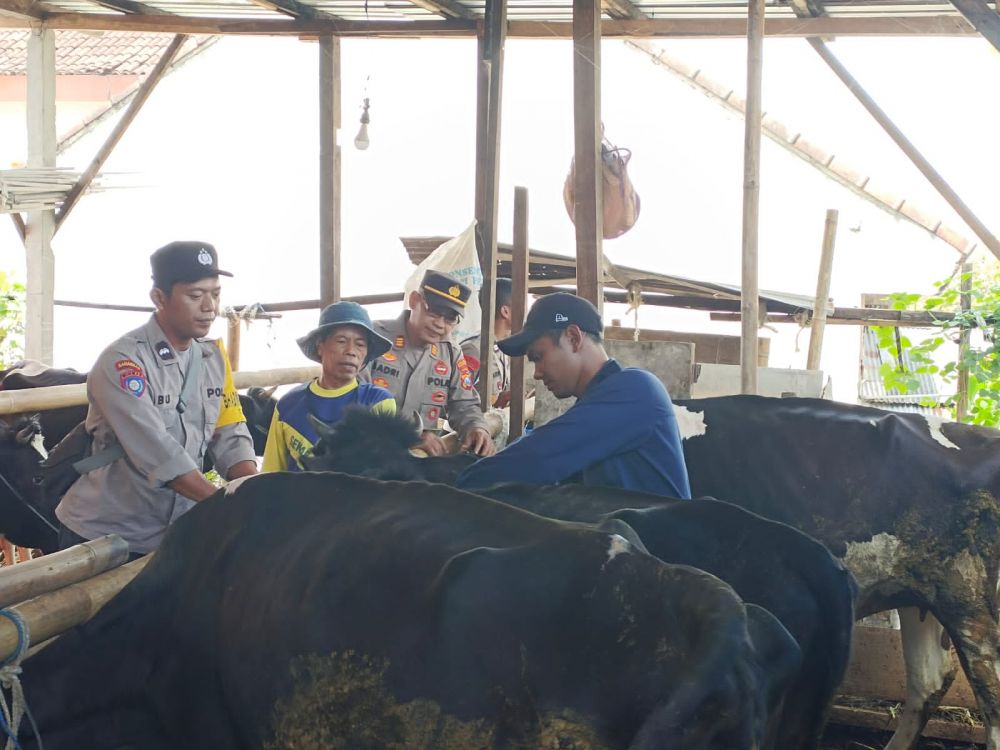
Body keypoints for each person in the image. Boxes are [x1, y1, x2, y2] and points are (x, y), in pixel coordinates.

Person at [55, 241, 258, 556]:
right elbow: (160, 454)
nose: (210, 307)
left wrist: (254, 492)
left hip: (176, 531)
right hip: (107, 536)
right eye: (195, 295)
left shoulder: (213, 358)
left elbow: (229, 430)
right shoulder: (123, 363)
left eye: (215, 294)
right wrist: (226, 506)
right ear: (159, 298)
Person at [456, 292, 691, 498]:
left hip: (656, 546)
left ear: (573, 338)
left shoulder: (635, 390)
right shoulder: (599, 398)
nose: (537, 374)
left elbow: (539, 456)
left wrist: (454, 485)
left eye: (538, 357)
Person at [363, 270, 494, 458]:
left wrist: (476, 427)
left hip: (421, 466)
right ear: (414, 300)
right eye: (434, 312)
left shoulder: (451, 354)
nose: (440, 324)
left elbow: (464, 404)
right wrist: (409, 436)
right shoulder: (374, 338)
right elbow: (354, 401)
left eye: (450, 318)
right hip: (370, 457)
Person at [262, 301, 396, 472]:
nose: (351, 351)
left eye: (360, 344)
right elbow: (271, 473)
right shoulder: (288, 405)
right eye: (341, 341)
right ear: (320, 346)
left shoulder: (379, 403)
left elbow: (389, 473)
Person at [460, 277, 512, 408]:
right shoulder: (474, 349)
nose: (526, 312)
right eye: (523, 305)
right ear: (505, 311)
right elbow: (457, 402)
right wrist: (494, 403)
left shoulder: (504, 348)